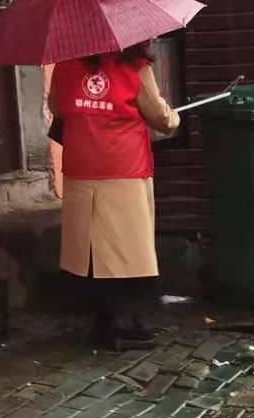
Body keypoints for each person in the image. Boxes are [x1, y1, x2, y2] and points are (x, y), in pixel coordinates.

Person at [50, 43, 180, 350]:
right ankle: (127, 325)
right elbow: (160, 117)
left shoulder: (65, 64)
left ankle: (102, 321)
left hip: (82, 165)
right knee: (127, 250)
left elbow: (57, 107)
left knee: (89, 251)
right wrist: (174, 117)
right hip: (123, 167)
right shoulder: (135, 66)